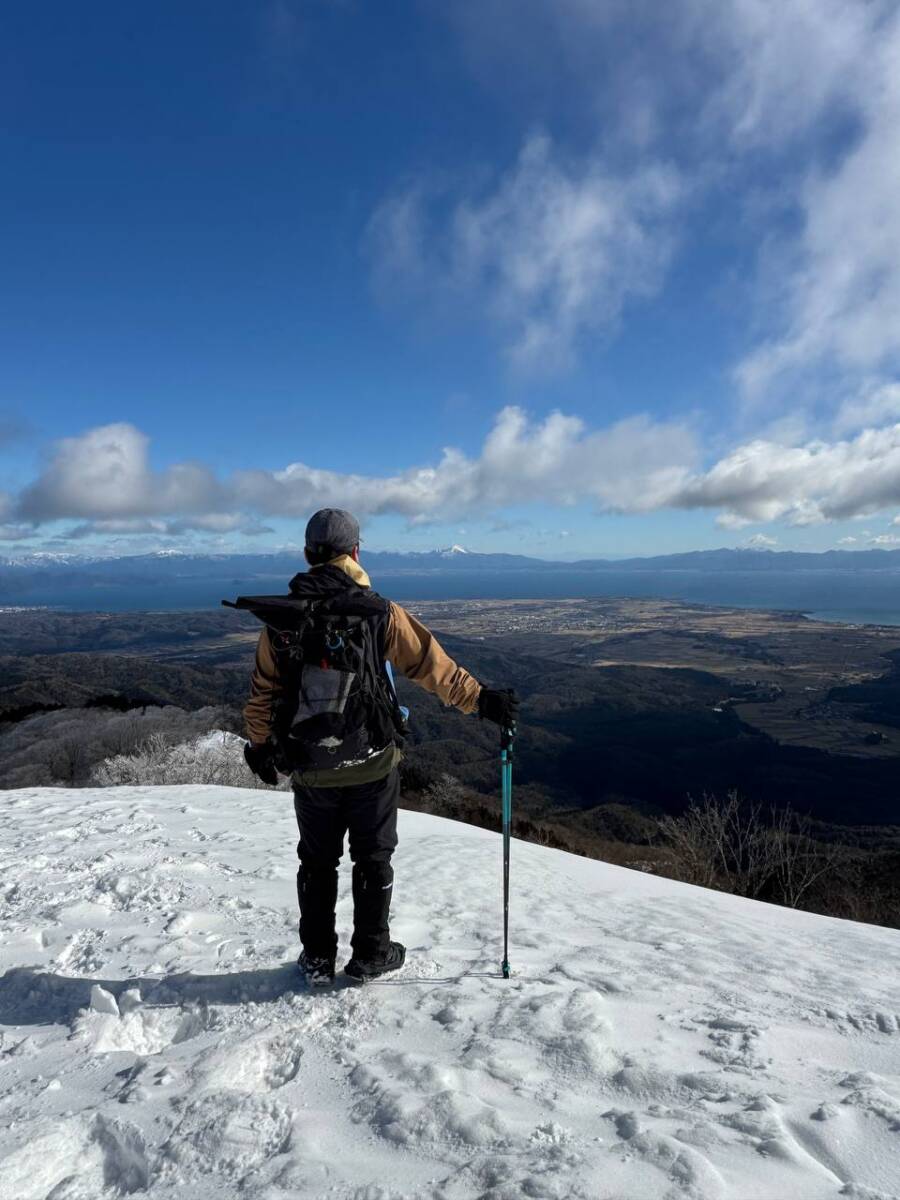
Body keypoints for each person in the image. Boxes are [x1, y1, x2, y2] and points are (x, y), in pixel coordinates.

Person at [242, 508, 519, 985]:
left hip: (309, 763)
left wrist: (261, 746)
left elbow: (263, 691)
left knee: (316, 859)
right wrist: (482, 701)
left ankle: (316, 957)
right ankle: (371, 952)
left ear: (309, 555)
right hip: (372, 760)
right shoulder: (378, 613)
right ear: (355, 551)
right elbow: (432, 667)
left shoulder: (283, 621)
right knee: (373, 856)